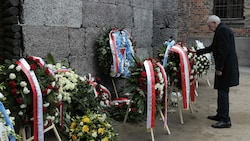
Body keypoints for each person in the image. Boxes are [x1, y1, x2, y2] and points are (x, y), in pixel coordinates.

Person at [196, 15, 239, 128]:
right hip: (225, 67)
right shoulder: (221, 29)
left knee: (223, 93)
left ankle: (225, 120)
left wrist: (219, 68)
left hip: (225, 68)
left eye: (209, 26)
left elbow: (223, 51)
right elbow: (213, 47)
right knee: (221, 91)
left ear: (214, 23)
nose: (209, 28)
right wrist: (197, 52)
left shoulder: (223, 30)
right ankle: (220, 114)